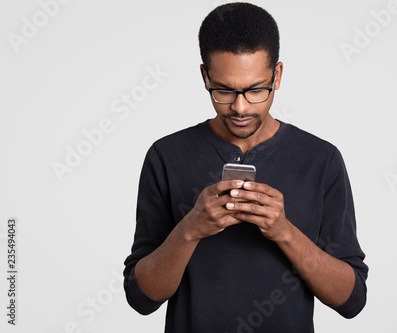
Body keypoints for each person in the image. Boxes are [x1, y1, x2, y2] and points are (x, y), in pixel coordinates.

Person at [123, 2, 368, 332]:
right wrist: (190, 228)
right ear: (204, 76)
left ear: (277, 75)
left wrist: (283, 232)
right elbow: (142, 298)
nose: (240, 107)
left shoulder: (319, 160)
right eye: (223, 90)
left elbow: (351, 300)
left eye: (255, 90)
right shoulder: (167, 155)